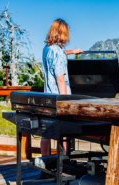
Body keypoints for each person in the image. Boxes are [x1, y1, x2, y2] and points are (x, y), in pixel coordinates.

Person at [41, 18, 83, 157]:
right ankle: (63, 163)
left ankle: (45, 162)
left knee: (46, 133)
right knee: (63, 134)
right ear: (63, 33)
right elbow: (60, 79)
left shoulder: (46, 49)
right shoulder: (58, 53)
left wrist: (72, 51)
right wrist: (65, 101)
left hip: (47, 96)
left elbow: (58, 55)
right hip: (59, 98)